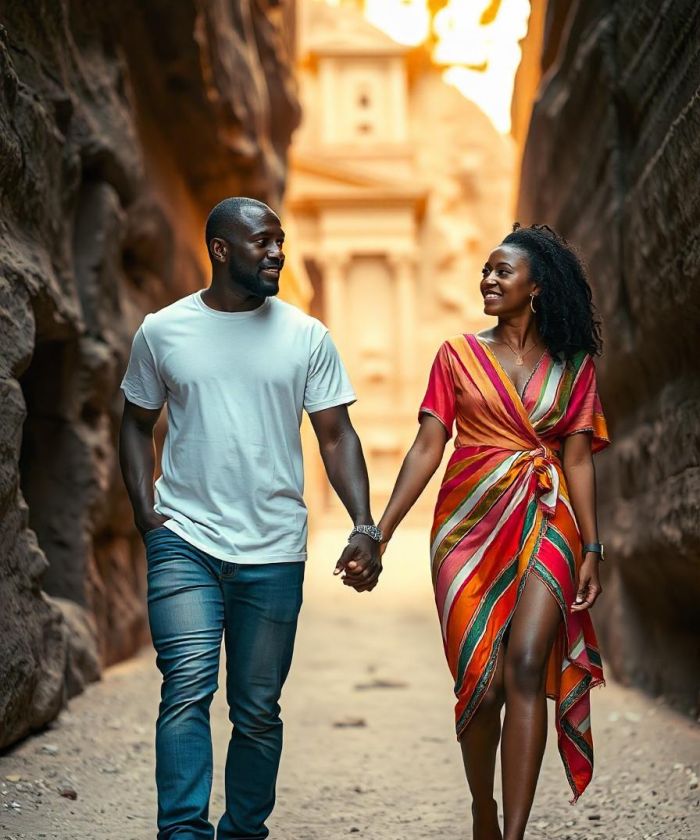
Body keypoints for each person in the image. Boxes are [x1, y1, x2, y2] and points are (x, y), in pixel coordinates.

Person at [119, 196, 382, 840]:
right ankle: (182, 831)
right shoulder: (162, 331)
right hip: (184, 538)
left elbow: (336, 435)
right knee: (185, 686)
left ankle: (243, 832)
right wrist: (147, 514)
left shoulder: (306, 336)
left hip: (273, 549)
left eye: (280, 241)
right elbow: (135, 423)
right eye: (262, 242)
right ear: (220, 249)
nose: (277, 253)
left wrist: (362, 523)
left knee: (257, 709)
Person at [367, 223, 609, 840]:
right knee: (482, 676)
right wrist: (380, 532)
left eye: (503, 271)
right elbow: (428, 446)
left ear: (537, 285)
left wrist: (593, 547)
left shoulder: (574, 365)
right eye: (486, 271)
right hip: (466, 528)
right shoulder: (456, 355)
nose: (489, 279)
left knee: (527, 664)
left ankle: (514, 834)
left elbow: (577, 458)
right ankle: (484, 811)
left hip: (549, 517)